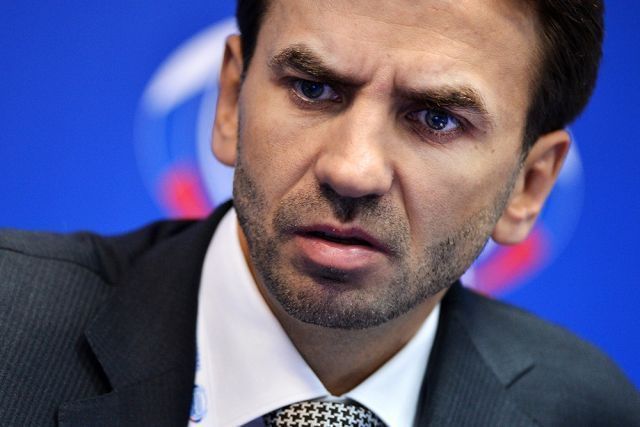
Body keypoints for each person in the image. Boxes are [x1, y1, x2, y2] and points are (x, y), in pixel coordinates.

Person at [0, 0, 638, 425]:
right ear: (230, 102)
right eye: (313, 88)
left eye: (437, 118)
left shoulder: (588, 409)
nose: (352, 170)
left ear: (529, 184)